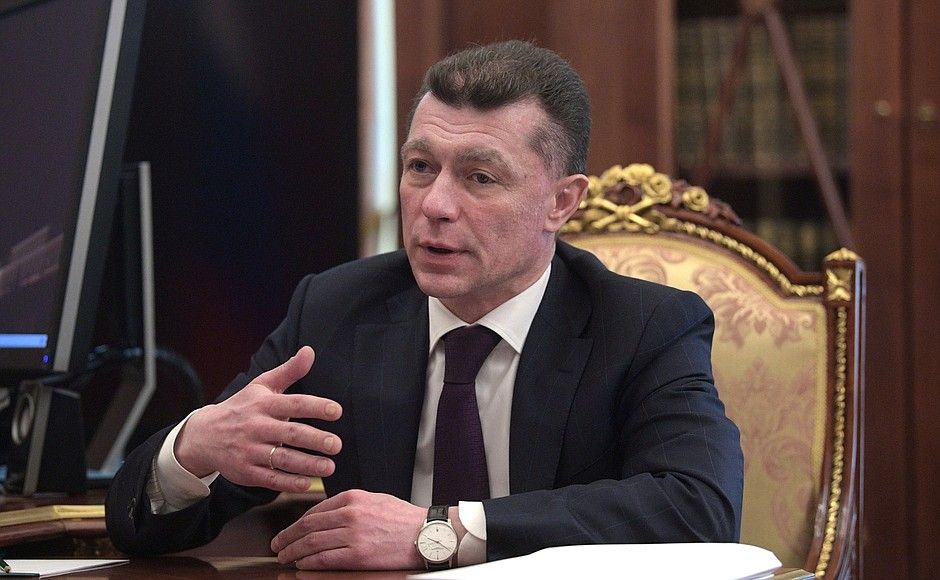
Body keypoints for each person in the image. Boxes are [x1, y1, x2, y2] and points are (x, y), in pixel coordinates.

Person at [106, 40, 743, 570]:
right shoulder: (336, 311)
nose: (435, 205)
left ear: (561, 202)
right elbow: (145, 527)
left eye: (480, 177)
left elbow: (700, 508)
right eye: (419, 167)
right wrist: (191, 449)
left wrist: (440, 532)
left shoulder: (644, 326)